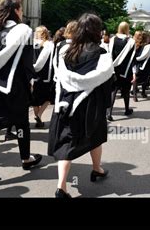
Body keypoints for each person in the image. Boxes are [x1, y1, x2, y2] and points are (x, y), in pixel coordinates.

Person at [48, 13, 114, 198]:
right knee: (95, 136)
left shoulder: (66, 51)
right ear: (96, 31)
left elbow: (60, 79)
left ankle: (61, 186)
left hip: (67, 103)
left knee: (66, 143)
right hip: (90, 105)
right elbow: (107, 82)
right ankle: (96, 168)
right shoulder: (101, 54)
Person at [0, 0, 42, 188]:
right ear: (15, 10)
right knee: (21, 123)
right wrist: (31, 80)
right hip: (15, 87)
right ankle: (25, 158)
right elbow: (27, 61)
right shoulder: (24, 31)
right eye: (21, 9)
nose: (22, 12)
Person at [106, 22, 136, 121]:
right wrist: (134, 72)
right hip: (126, 70)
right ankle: (127, 109)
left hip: (113, 69)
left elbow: (109, 55)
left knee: (113, 91)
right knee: (126, 91)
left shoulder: (112, 39)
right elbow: (132, 58)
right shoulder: (131, 41)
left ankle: (109, 113)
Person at [31, 26, 55, 128]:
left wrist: (31, 69)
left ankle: (38, 120)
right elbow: (42, 61)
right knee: (49, 97)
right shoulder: (49, 44)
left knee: (35, 98)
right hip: (45, 74)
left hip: (35, 74)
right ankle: (39, 115)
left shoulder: (32, 43)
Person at [132, 31, 150, 101]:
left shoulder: (133, 45)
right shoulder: (147, 46)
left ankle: (135, 95)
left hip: (135, 64)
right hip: (144, 65)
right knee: (145, 80)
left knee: (135, 79)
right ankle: (143, 92)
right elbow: (149, 57)